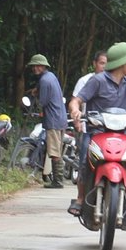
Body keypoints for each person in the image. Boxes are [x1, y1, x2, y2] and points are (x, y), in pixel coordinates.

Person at [70, 42, 126, 221]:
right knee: (85, 163)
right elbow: (76, 100)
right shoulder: (98, 81)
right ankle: (80, 198)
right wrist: (75, 111)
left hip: (125, 135)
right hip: (97, 133)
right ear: (122, 63)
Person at [28, 54, 70, 188]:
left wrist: (37, 97)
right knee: (56, 149)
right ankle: (57, 178)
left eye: (37, 66)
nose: (35, 68)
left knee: (54, 151)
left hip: (53, 120)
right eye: (33, 66)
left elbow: (43, 101)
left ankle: (58, 181)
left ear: (43, 66)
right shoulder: (50, 76)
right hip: (60, 117)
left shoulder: (44, 81)